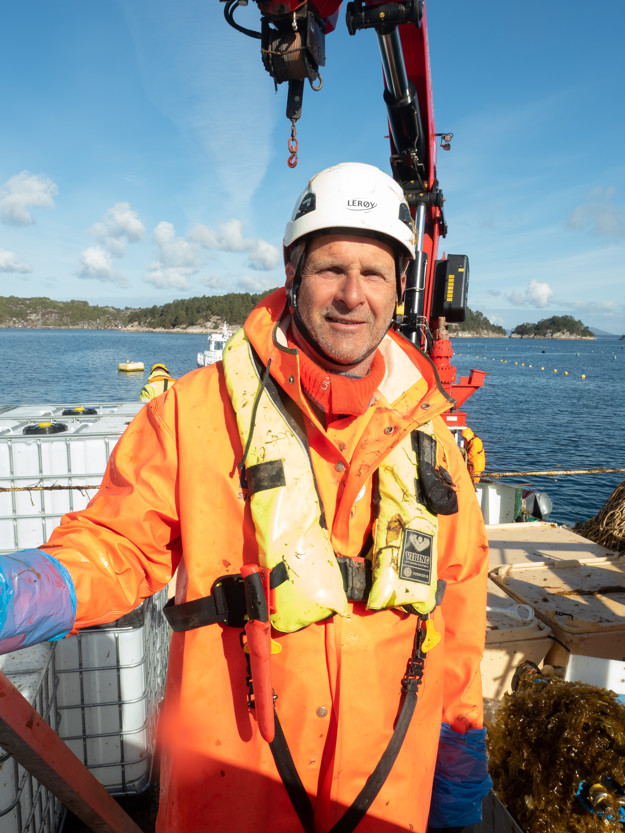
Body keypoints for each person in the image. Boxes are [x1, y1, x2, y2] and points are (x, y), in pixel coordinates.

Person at [0, 163, 491, 833]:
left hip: (383, 795)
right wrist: (35, 586)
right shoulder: (193, 413)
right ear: (293, 270)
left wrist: (459, 750)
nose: (352, 295)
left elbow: (456, 603)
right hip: (231, 795)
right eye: (330, 269)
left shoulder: (428, 435)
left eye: (373, 273)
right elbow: (117, 543)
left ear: (397, 287)